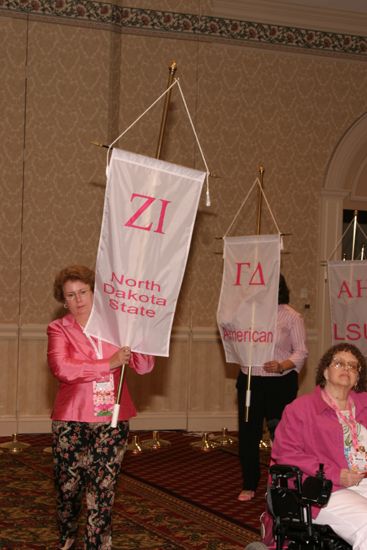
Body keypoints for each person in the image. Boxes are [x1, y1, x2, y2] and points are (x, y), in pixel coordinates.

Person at [47, 265, 155, 550]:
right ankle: (67, 536)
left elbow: (144, 367)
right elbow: (62, 368)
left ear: (95, 292)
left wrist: (138, 337)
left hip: (112, 418)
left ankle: (98, 544)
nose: (78, 299)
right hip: (71, 418)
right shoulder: (58, 329)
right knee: (68, 489)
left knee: (103, 487)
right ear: (64, 300)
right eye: (70, 295)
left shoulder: (117, 326)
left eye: (83, 292)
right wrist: (109, 363)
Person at [271, 342, 367, 549]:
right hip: (326, 489)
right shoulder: (301, 409)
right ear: (325, 371)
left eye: (353, 366)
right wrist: (335, 474)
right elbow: (286, 454)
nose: (347, 369)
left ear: (358, 377)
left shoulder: (365, 405)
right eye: (339, 363)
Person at [237, 273, 308, 501]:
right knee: (248, 433)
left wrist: (281, 365)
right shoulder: (247, 313)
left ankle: (283, 483)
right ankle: (249, 483)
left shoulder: (291, 316)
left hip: (280, 383)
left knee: (281, 435)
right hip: (250, 381)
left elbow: (301, 351)